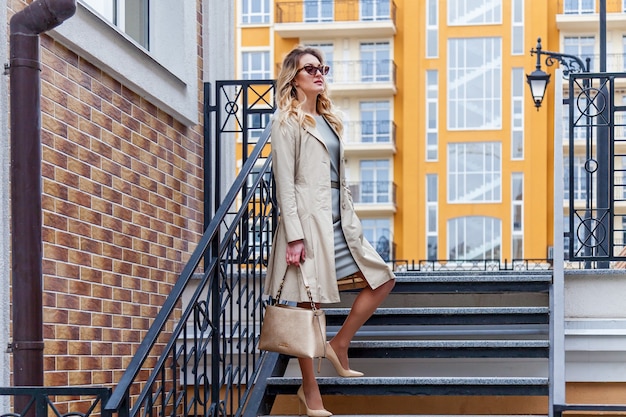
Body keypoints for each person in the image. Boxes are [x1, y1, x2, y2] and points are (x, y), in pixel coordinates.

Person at [264, 45, 396, 417]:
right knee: (309, 305)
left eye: (323, 67)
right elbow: (285, 184)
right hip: (308, 222)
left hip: (340, 218)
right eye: (310, 69)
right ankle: (311, 394)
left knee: (382, 279)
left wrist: (350, 213)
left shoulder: (330, 120)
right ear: (294, 78)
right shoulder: (286, 121)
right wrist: (293, 235)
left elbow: (339, 176)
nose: (319, 73)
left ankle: (339, 343)